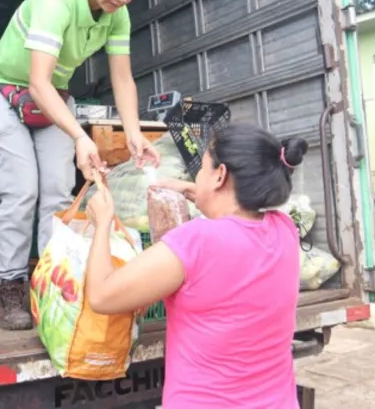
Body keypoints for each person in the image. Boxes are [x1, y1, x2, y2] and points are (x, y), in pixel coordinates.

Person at [0, 0, 161, 330]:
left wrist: (133, 135)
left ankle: (48, 282)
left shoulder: (118, 15)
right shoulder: (57, 0)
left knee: (59, 194)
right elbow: (38, 82)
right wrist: (79, 136)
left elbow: (123, 79)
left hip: (54, 96)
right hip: (7, 90)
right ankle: (8, 284)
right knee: (21, 190)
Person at [84, 123, 309, 408]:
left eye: (202, 169)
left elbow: (102, 296)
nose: (198, 176)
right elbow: (237, 223)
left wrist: (103, 222)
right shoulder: (285, 230)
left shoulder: (195, 242)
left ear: (220, 175)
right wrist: (199, 192)